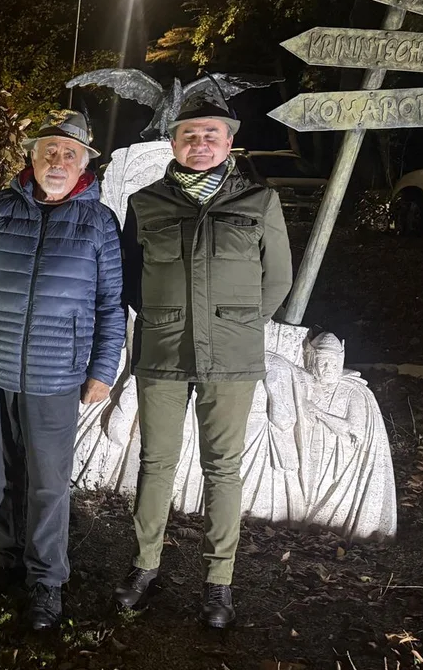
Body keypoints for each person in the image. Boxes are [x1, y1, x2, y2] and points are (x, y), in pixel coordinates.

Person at [113, 99, 292, 628]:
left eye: (211, 134)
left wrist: (236, 323)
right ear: (173, 143)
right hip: (163, 350)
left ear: (228, 142)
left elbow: (278, 278)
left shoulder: (259, 200)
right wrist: (164, 316)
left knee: (223, 468)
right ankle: (145, 566)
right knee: (155, 462)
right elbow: (130, 278)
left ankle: (219, 582)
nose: (200, 144)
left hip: (232, 356)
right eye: (189, 135)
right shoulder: (145, 202)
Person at [0, 109, 124, 630]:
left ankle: (47, 579)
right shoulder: (0, 209)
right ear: (32, 156)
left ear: (84, 165)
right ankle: (4, 557)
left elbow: (111, 304)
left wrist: (103, 368)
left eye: (69, 153)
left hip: (57, 375)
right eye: (49, 149)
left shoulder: (100, 223)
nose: (57, 159)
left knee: (49, 483)